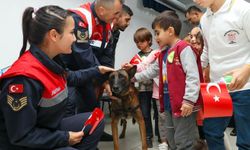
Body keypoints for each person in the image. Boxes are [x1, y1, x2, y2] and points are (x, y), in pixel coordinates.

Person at [0, 6, 105, 150]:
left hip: (46, 127)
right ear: (54, 35)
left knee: (96, 121)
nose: (75, 38)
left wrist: (97, 70)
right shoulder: (24, 79)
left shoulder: (52, 61)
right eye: (72, 33)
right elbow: (21, 136)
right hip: (24, 144)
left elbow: (72, 77)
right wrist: (65, 138)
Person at [132, 11, 203, 150]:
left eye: (157, 33)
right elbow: (152, 71)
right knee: (171, 138)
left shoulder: (183, 48)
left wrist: (189, 100)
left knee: (184, 140)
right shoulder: (163, 53)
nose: (156, 37)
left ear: (170, 31)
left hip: (183, 106)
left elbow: (193, 76)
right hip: (169, 104)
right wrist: (133, 77)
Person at [193, 0, 250, 150]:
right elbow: (208, 49)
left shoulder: (243, 9)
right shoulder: (205, 19)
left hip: (245, 86)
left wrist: (247, 69)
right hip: (217, 86)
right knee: (211, 132)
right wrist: (196, 67)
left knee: (246, 139)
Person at [129, 27, 157, 148]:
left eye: (142, 41)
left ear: (149, 40)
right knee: (145, 114)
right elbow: (132, 73)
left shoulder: (156, 53)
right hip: (142, 90)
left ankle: (161, 135)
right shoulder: (135, 57)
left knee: (159, 113)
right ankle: (148, 136)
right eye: (137, 42)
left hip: (157, 88)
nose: (139, 44)